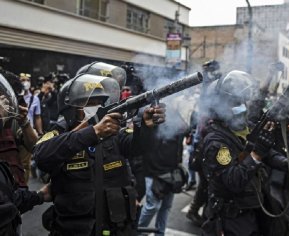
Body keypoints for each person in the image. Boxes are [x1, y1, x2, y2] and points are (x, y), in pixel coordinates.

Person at [33, 73, 166, 236]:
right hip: (75, 230)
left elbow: (139, 147)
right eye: (89, 103)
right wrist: (92, 132)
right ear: (72, 108)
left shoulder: (113, 131)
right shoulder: (60, 131)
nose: (96, 107)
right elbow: (41, 156)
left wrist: (147, 128)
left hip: (116, 228)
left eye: (99, 103)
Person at [201, 71, 276, 236]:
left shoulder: (237, 130)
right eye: (235, 102)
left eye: (242, 101)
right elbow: (233, 180)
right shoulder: (217, 142)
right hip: (230, 218)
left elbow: (262, 152)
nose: (241, 107)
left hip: (249, 210)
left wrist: (287, 162)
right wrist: (256, 154)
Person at [0, 73, 49, 234]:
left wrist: (24, 121)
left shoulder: (10, 122)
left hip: (15, 198)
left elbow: (34, 146)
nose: (5, 103)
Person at [137, 105, 188, 236]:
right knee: (152, 206)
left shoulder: (174, 112)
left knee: (166, 207)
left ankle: (160, 233)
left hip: (171, 170)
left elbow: (185, 129)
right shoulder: (151, 112)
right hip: (154, 171)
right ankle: (136, 231)